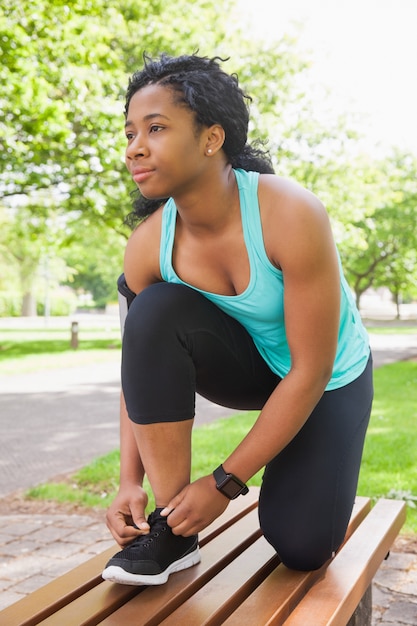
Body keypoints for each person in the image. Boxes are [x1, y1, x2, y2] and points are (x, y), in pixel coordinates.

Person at [102, 53, 373, 586]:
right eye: (131, 132)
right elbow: (138, 362)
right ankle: (172, 530)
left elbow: (311, 370)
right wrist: (127, 480)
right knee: (152, 313)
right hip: (249, 369)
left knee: (301, 547)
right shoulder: (148, 245)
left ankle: (312, 461)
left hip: (328, 378)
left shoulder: (289, 212)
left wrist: (224, 482)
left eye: (156, 128)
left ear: (211, 138)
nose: (135, 146)